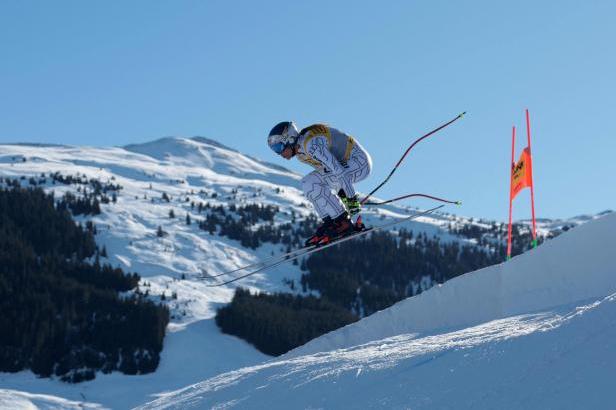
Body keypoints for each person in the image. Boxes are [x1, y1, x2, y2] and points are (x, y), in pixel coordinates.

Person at [267, 121, 372, 245]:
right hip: (346, 166)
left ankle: (343, 222)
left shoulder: (311, 145)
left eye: (279, 147)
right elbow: (328, 175)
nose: (279, 154)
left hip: (359, 163)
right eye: (275, 150)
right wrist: (342, 194)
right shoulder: (301, 153)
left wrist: (351, 200)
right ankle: (330, 222)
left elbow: (338, 171)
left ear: (289, 139)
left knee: (312, 183)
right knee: (307, 183)